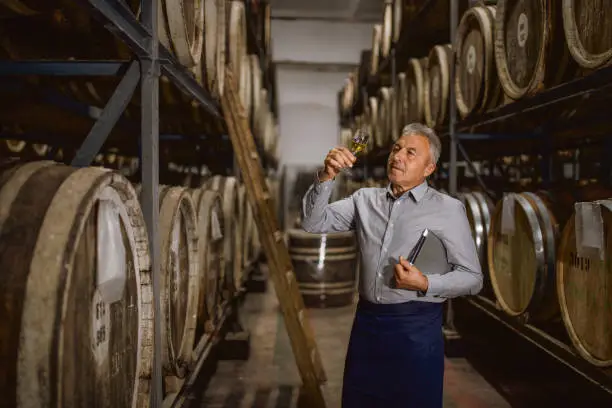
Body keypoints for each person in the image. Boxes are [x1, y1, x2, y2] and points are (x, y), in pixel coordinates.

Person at [301, 123, 483, 408]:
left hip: (417, 329)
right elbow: (313, 222)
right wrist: (327, 176)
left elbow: (473, 278)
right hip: (367, 326)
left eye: (411, 153)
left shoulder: (448, 209)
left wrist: (426, 284)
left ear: (429, 169)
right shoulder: (364, 200)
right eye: (397, 148)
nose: (398, 156)